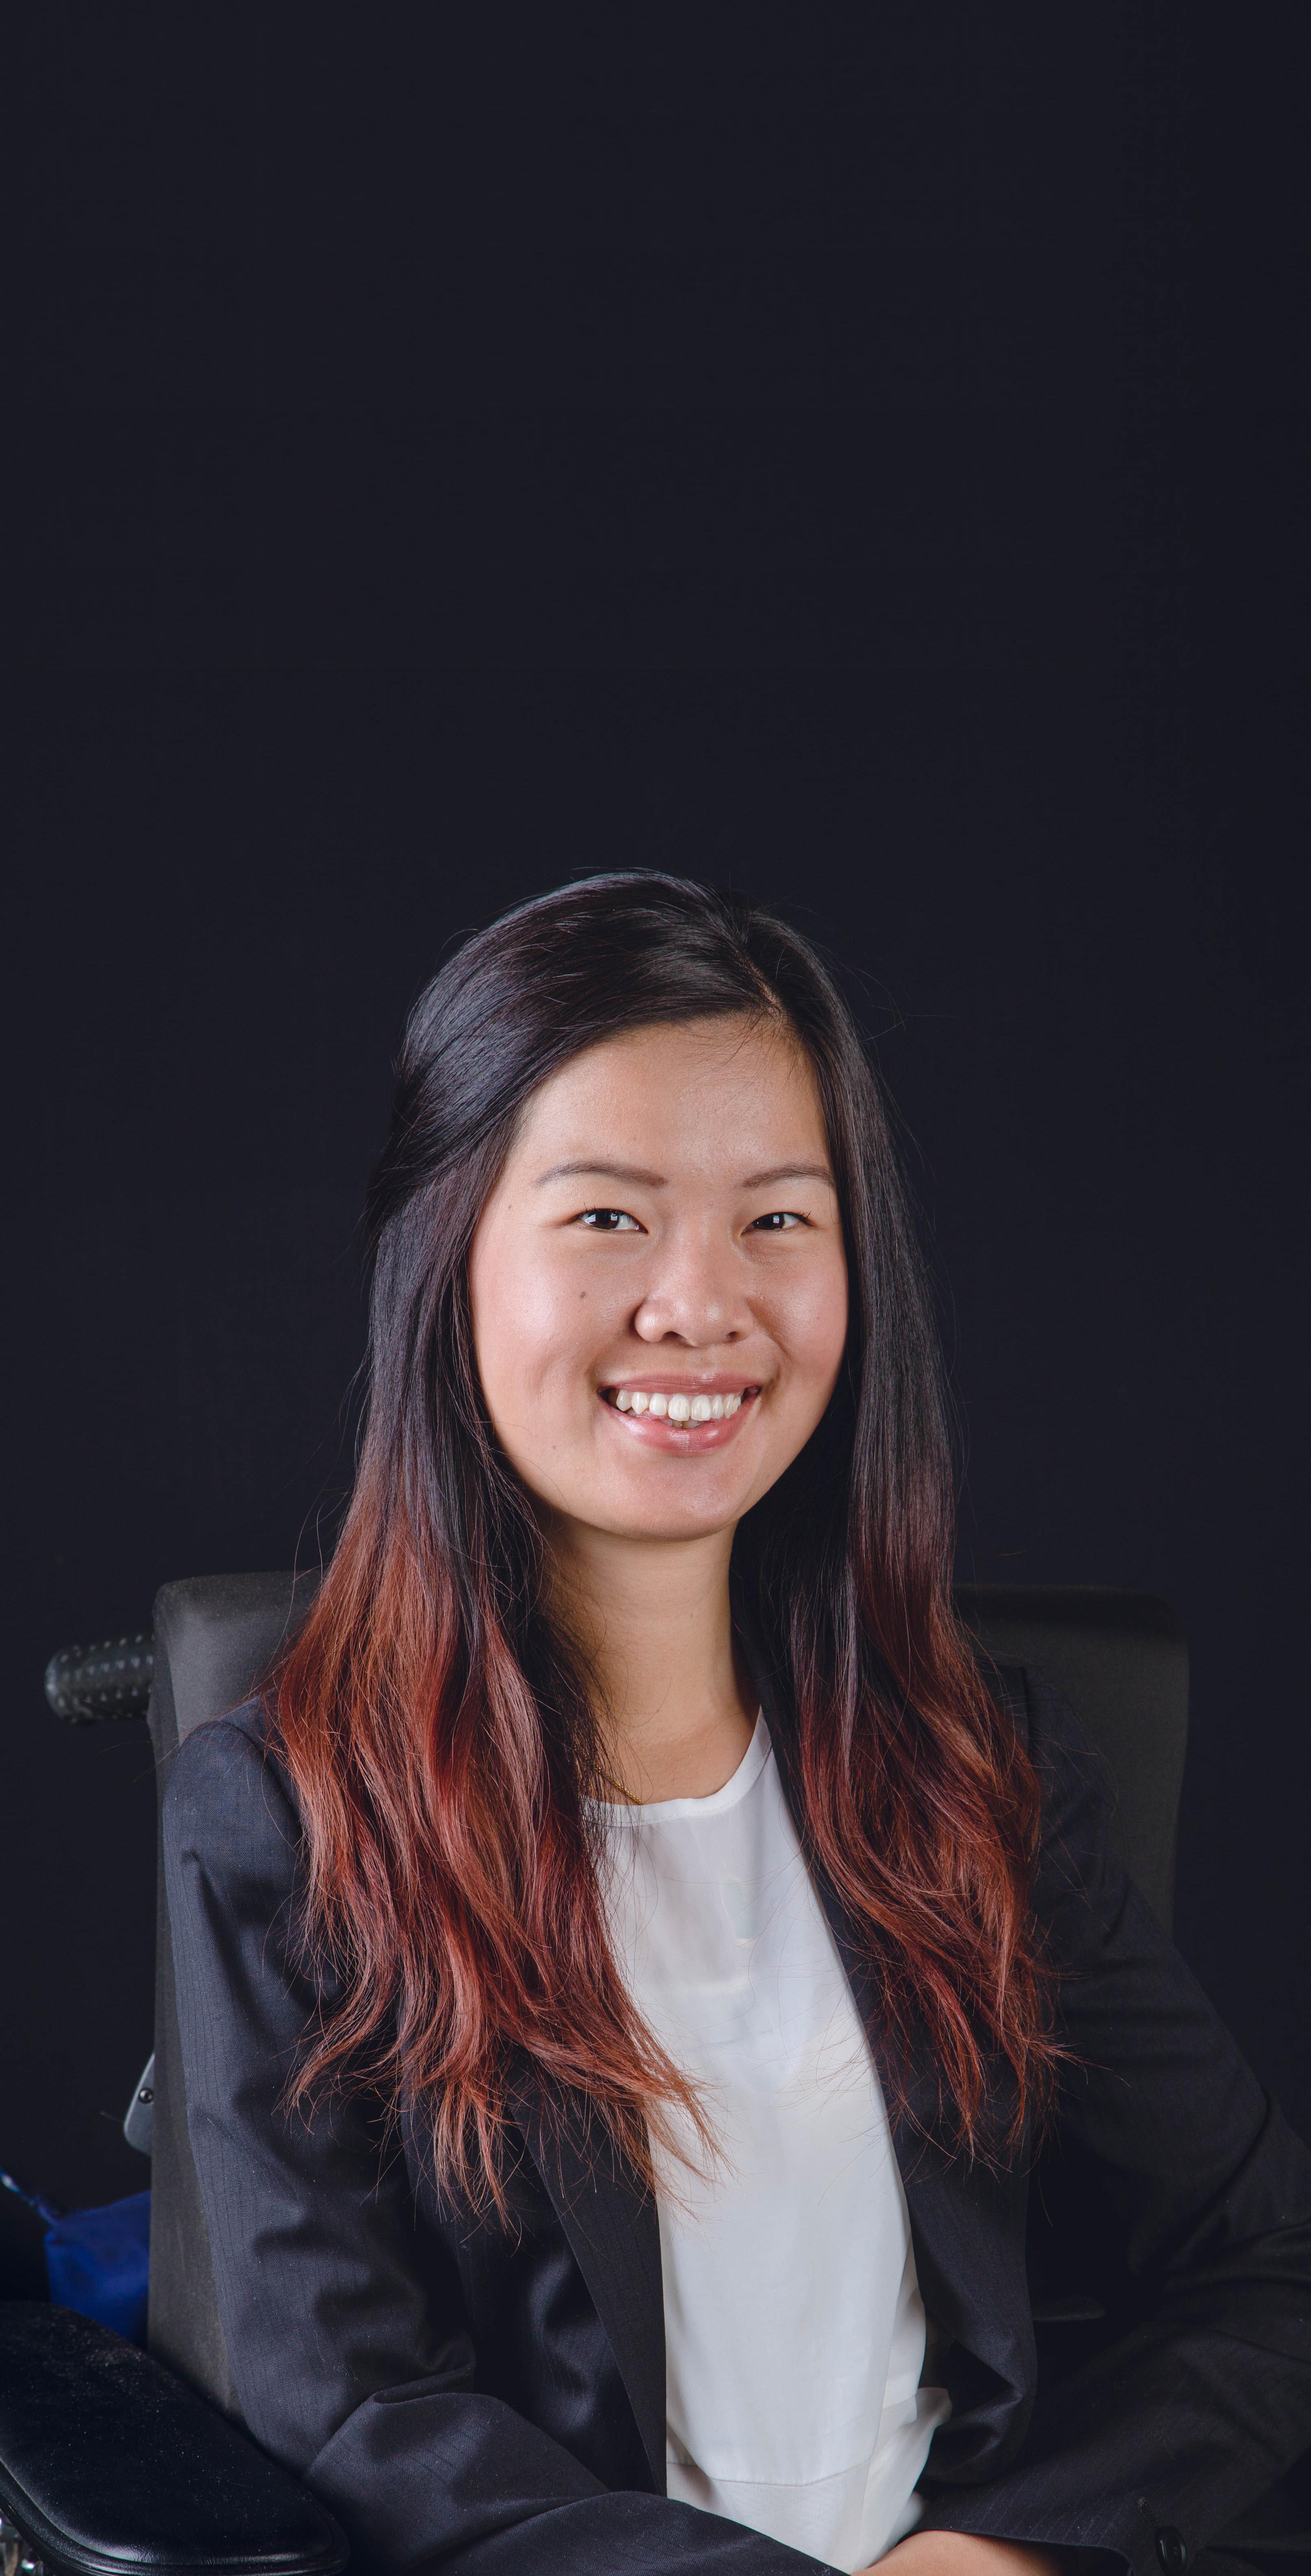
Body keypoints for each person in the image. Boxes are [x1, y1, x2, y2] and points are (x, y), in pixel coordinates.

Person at [164, 873, 1311, 2576]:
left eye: (778, 1217)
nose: (703, 1302)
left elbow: (1266, 2266)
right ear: (447, 1258)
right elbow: (353, 2418)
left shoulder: (971, 1769)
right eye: (608, 1217)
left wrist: (1005, 2553)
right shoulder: (290, 1819)